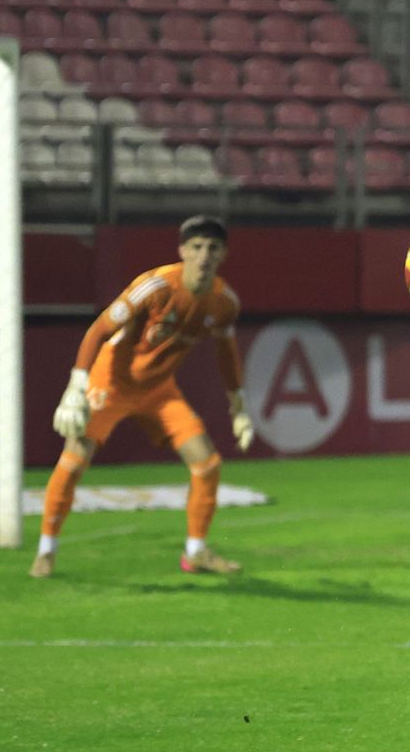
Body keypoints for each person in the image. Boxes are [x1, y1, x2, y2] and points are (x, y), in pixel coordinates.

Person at [30, 214, 254, 578]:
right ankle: (46, 551)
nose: (204, 255)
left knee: (207, 463)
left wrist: (239, 408)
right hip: (111, 382)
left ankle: (195, 552)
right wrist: (76, 387)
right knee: (73, 461)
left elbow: (227, 354)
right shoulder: (154, 287)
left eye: (213, 248)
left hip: (158, 390)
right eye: (196, 247)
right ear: (182, 250)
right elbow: (99, 329)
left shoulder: (223, 302)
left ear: (223, 254)